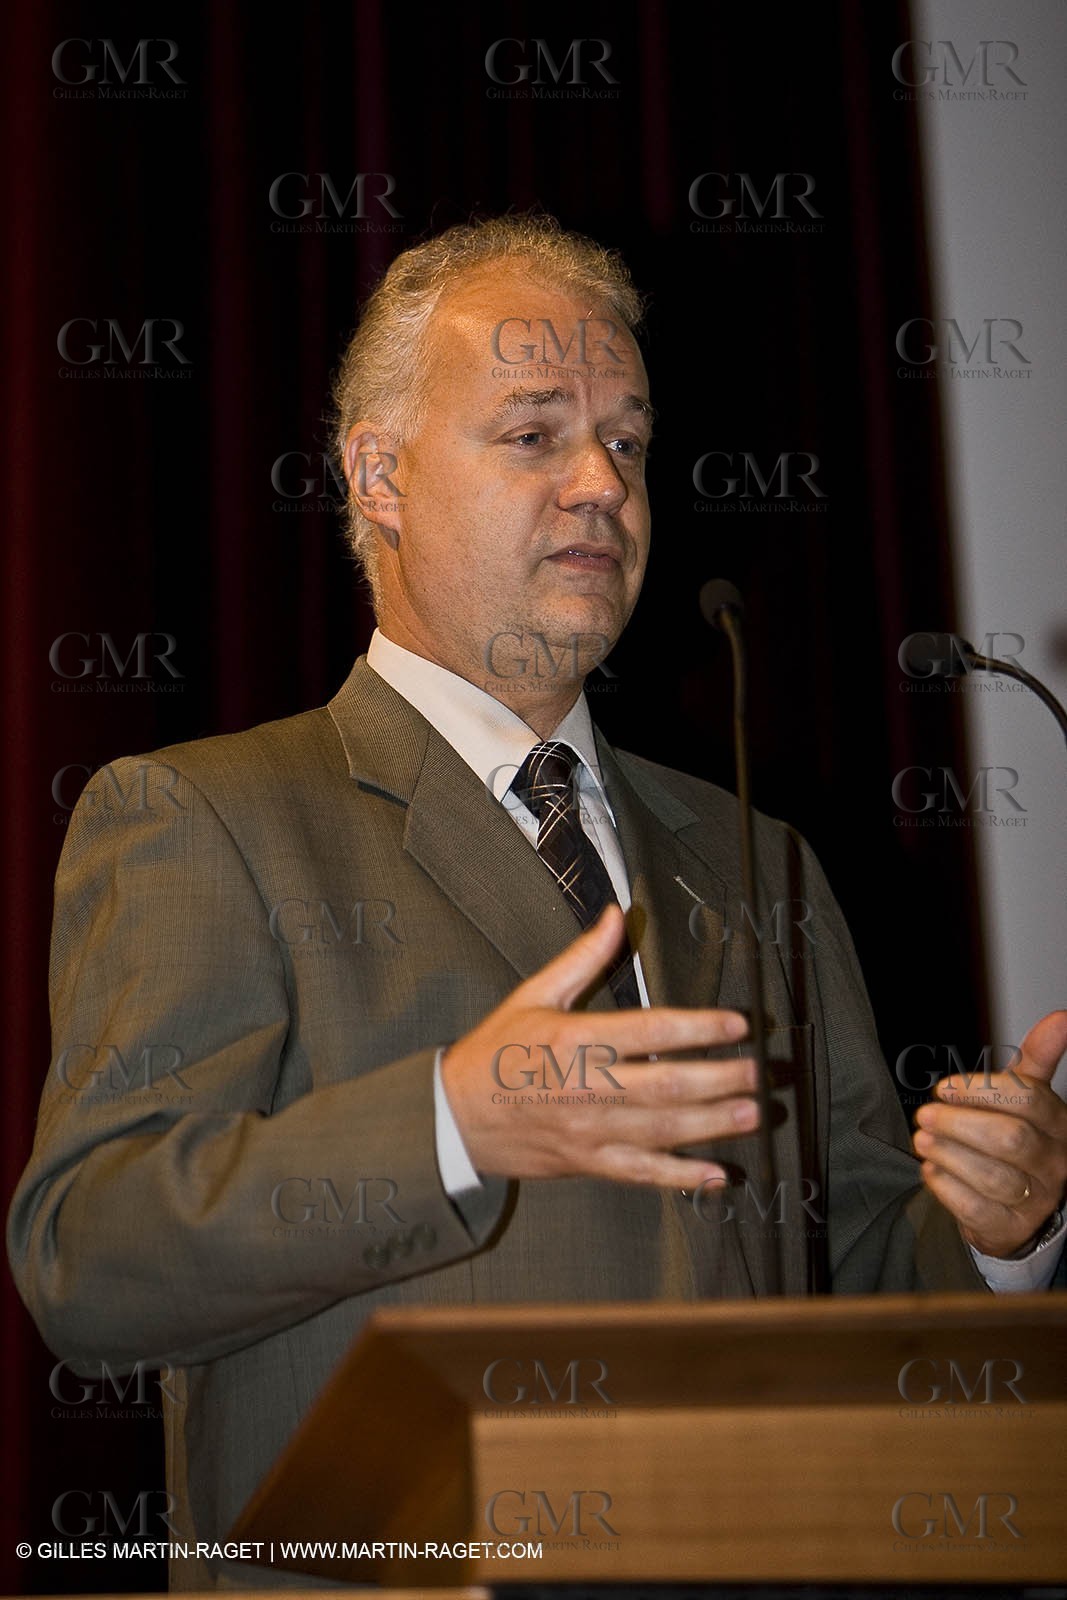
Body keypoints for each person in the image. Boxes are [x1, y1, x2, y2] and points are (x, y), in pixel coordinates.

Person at [8, 215, 1067, 1590]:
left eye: (627, 442)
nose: (600, 486)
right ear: (378, 475)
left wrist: (1005, 1238)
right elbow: (91, 1257)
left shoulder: (761, 860)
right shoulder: (208, 820)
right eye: (533, 434)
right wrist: (455, 1119)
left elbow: (857, 1269)